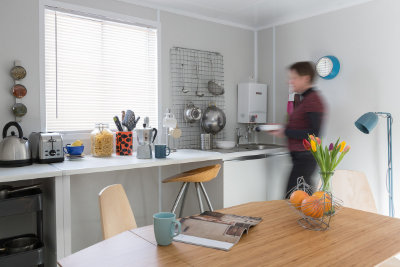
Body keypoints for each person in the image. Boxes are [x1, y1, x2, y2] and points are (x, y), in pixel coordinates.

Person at [269, 61, 326, 193]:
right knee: (299, 202)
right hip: (301, 159)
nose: (289, 81)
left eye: (293, 78)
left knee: (294, 201)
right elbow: (302, 127)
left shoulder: (313, 100)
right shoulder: (306, 99)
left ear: (305, 78)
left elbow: (314, 134)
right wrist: (282, 130)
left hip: (305, 159)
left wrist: (286, 131)